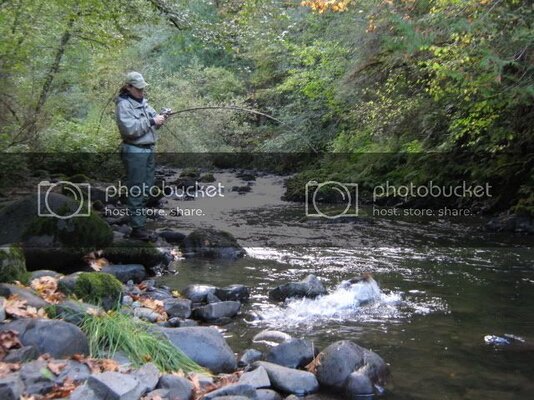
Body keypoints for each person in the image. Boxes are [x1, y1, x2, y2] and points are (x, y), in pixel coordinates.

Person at [115, 71, 166, 241]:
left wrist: (161, 117)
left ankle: (136, 219)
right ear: (128, 87)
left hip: (148, 149)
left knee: (147, 188)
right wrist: (152, 121)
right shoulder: (123, 105)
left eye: (143, 88)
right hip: (134, 150)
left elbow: (152, 124)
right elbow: (130, 130)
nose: (141, 92)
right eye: (138, 89)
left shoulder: (144, 103)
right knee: (136, 190)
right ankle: (137, 228)